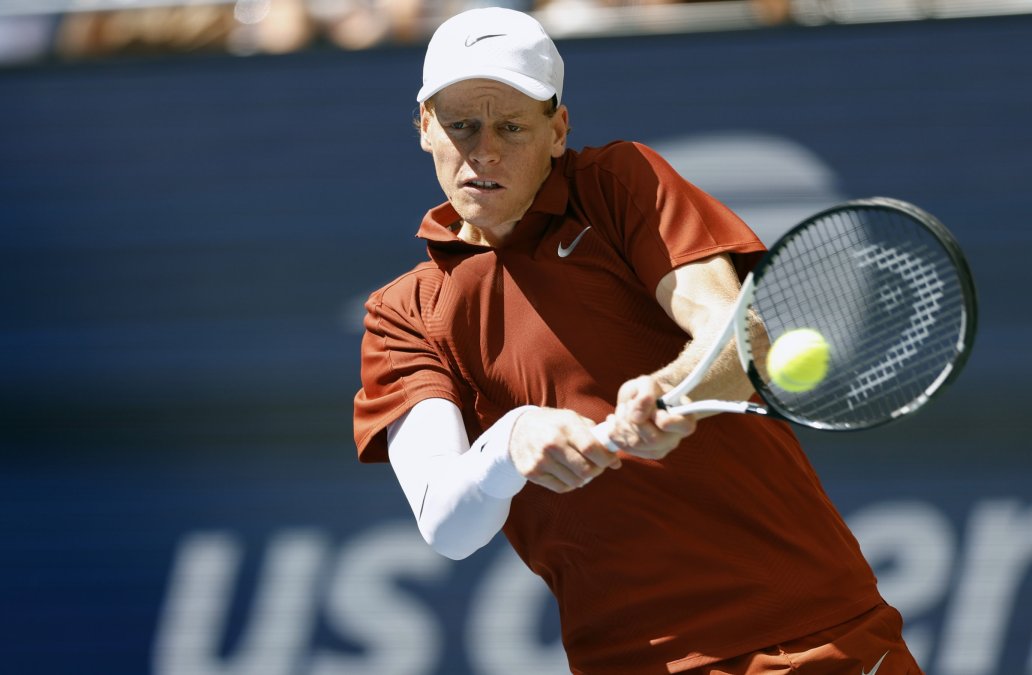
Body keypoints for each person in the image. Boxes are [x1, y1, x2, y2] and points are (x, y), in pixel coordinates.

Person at [353, 7, 923, 674]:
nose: (484, 152)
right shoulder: (403, 313)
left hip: (809, 630)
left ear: (558, 130)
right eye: (461, 126)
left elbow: (739, 339)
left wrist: (670, 391)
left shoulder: (620, 184)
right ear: (424, 126)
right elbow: (446, 523)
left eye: (511, 127)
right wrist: (511, 443)